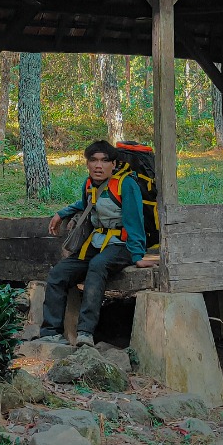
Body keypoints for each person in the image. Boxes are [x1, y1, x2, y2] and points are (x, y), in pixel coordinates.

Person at [37, 140, 155, 347]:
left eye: (104, 160)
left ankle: (85, 332)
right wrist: (62, 213)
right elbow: (85, 203)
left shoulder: (126, 185)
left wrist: (137, 257)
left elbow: (135, 221)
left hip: (123, 245)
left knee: (97, 266)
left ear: (114, 164)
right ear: (87, 164)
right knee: (58, 273)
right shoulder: (89, 184)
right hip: (97, 243)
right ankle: (50, 332)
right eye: (93, 160)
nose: (98, 166)